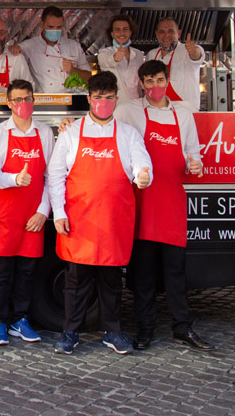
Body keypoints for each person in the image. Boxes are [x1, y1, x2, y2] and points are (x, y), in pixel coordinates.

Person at [47, 71, 152, 356]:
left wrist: (144, 175)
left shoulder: (128, 134)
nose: (102, 102)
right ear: (89, 99)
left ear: (116, 100)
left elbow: (143, 164)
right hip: (78, 220)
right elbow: (55, 174)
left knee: (111, 280)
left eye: (108, 98)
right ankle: (70, 332)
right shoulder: (71, 132)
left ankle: (113, 331)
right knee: (75, 281)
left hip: (113, 220)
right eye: (97, 98)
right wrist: (58, 212)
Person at [115, 60, 214, 352]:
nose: (154, 87)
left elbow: (193, 154)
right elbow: (106, 132)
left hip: (171, 201)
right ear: (141, 83)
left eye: (159, 80)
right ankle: (145, 329)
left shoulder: (183, 114)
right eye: (149, 81)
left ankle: (182, 328)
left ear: (167, 79)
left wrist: (196, 164)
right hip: (143, 202)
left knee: (175, 272)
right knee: (143, 274)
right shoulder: (128, 111)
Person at [0, 79, 51, 346]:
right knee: (3, 271)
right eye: (18, 100)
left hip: (33, 214)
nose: (23, 104)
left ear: (33, 101)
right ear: (9, 102)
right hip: (7, 213)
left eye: (27, 99)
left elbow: (50, 176)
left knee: (27, 271)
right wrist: (15, 180)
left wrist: (43, 211)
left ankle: (19, 319)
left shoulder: (45, 133)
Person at [19, 6, 92, 92]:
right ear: (42, 24)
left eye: (58, 27)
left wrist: (73, 70)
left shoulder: (74, 46)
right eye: (50, 27)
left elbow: (89, 77)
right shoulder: (28, 46)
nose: (55, 30)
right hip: (43, 102)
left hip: (70, 101)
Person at [147, 18, 205, 112]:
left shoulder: (186, 51)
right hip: (158, 112)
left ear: (179, 33)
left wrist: (194, 52)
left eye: (170, 31)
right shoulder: (152, 54)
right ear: (156, 34)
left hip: (186, 113)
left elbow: (197, 56)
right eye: (162, 32)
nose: (166, 35)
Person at [97, 14, 146, 104]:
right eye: (117, 29)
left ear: (130, 32)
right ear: (112, 34)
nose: (122, 33)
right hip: (115, 106)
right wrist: (115, 58)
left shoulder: (138, 54)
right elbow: (106, 62)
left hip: (136, 105)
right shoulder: (104, 53)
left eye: (125, 29)